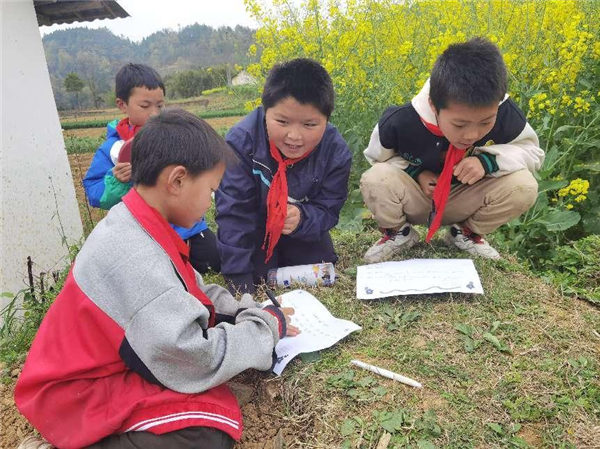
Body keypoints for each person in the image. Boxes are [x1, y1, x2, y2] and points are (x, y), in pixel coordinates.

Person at [15, 109, 299, 449]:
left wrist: (244, 311)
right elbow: (192, 357)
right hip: (74, 394)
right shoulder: (136, 256)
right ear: (177, 181)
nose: (210, 202)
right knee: (205, 435)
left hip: (102, 368)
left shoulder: (138, 220)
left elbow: (192, 288)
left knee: (206, 405)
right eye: (209, 189)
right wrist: (263, 330)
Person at [360, 37, 544, 262]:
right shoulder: (400, 121)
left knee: (524, 186)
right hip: (418, 199)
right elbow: (377, 161)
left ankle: (465, 234)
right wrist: (415, 173)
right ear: (434, 107)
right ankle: (399, 233)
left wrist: (488, 162)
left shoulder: (505, 112)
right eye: (459, 125)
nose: (472, 135)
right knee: (375, 179)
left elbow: (533, 152)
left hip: (467, 197)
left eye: (486, 122)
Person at [216, 58, 352, 294]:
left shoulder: (335, 152)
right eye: (282, 121)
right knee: (256, 274)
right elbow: (234, 214)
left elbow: (329, 209)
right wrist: (239, 280)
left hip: (302, 233)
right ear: (265, 111)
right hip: (256, 230)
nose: (294, 136)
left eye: (310, 125)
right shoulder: (241, 142)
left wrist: (302, 218)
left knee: (320, 263)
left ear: (327, 120)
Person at [83, 63, 220, 273]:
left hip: (187, 229)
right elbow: (94, 193)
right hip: (142, 233)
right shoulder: (113, 149)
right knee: (156, 272)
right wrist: (116, 181)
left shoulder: (175, 136)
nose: (154, 114)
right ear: (122, 104)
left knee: (214, 261)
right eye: (145, 106)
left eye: (160, 105)